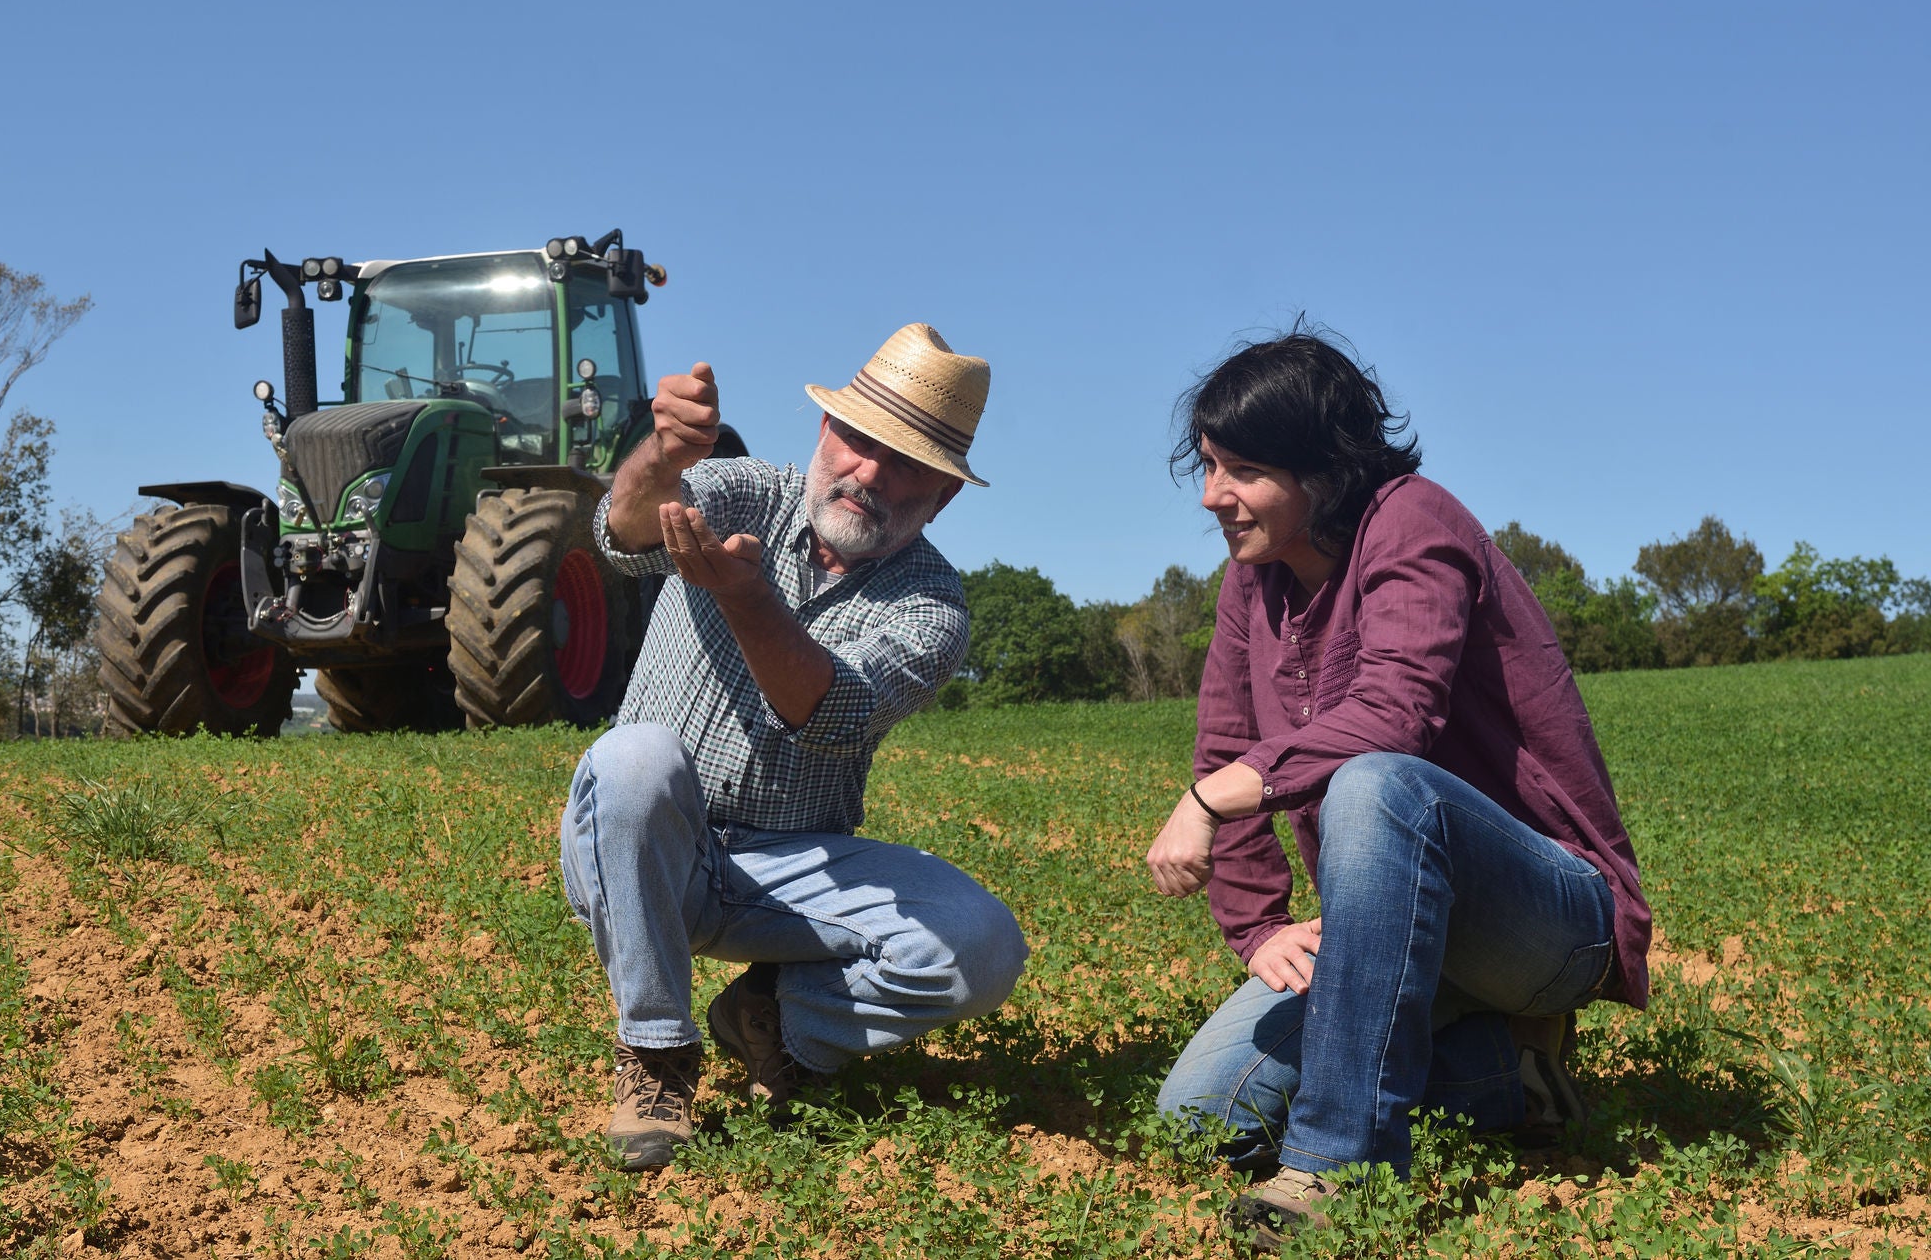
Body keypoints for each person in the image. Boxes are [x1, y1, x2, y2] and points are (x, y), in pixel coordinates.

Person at [1143, 328, 1650, 1249]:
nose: (1215, 494)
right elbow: (1225, 737)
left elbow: (1394, 712)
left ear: (1325, 471)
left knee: (1379, 784)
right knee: (1203, 1116)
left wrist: (1218, 799)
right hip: (1386, 919)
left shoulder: (1414, 521)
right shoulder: (1249, 582)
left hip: (1544, 914)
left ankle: (1338, 1167)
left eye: (1245, 468)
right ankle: (1511, 1070)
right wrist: (1258, 926)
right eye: (1210, 464)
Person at [559, 323, 1030, 1171]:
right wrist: (661, 455)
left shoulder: (933, 607)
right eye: (858, 440)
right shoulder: (744, 490)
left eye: (908, 462)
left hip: (784, 867)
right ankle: (656, 1053)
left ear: (944, 495)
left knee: (981, 944)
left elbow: (831, 712)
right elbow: (623, 531)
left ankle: (778, 1015)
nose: (870, 473)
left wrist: (748, 599)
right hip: (639, 841)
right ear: (825, 431)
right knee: (636, 757)